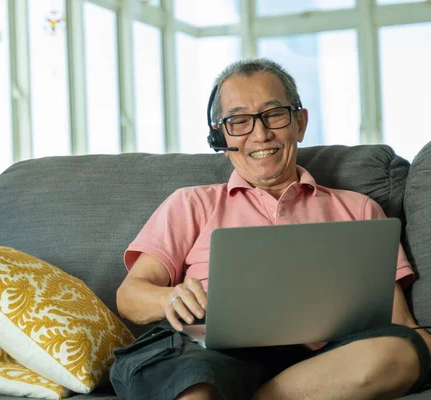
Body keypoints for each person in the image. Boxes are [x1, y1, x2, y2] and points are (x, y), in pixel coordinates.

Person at [109, 58, 431, 400]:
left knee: (404, 350)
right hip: (208, 353)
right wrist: (169, 297)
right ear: (221, 135)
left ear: (300, 123)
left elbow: (399, 324)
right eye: (239, 121)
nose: (260, 134)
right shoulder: (191, 203)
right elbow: (130, 297)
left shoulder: (360, 209)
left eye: (274, 114)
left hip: (326, 360)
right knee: (196, 385)